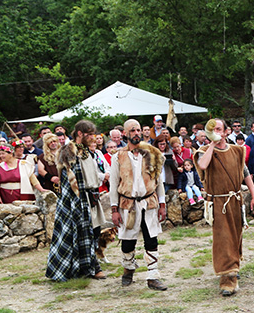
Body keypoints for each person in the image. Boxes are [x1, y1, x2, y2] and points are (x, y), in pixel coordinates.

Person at [196, 119, 254, 295]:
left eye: (218, 129)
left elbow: (245, 175)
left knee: (235, 236)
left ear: (226, 131)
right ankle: (227, 279)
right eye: (212, 129)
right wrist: (212, 145)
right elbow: (203, 166)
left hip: (235, 199)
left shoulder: (237, 151)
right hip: (218, 202)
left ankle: (233, 267)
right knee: (223, 239)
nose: (216, 131)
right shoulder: (203, 151)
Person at [109, 119, 168, 291]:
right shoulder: (117, 157)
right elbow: (113, 185)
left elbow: (159, 182)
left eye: (138, 130)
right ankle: (128, 269)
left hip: (149, 203)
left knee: (151, 239)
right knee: (128, 242)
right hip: (128, 205)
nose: (136, 133)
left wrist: (162, 204)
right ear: (125, 134)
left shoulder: (152, 154)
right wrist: (114, 209)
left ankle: (153, 276)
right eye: (132, 130)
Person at [46, 120, 106, 282]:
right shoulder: (68, 151)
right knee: (81, 233)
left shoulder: (86, 151)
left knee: (94, 232)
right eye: (90, 134)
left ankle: (87, 265)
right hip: (77, 199)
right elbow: (68, 181)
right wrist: (76, 201)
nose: (93, 137)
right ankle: (91, 267)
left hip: (91, 197)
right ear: (80, 134)